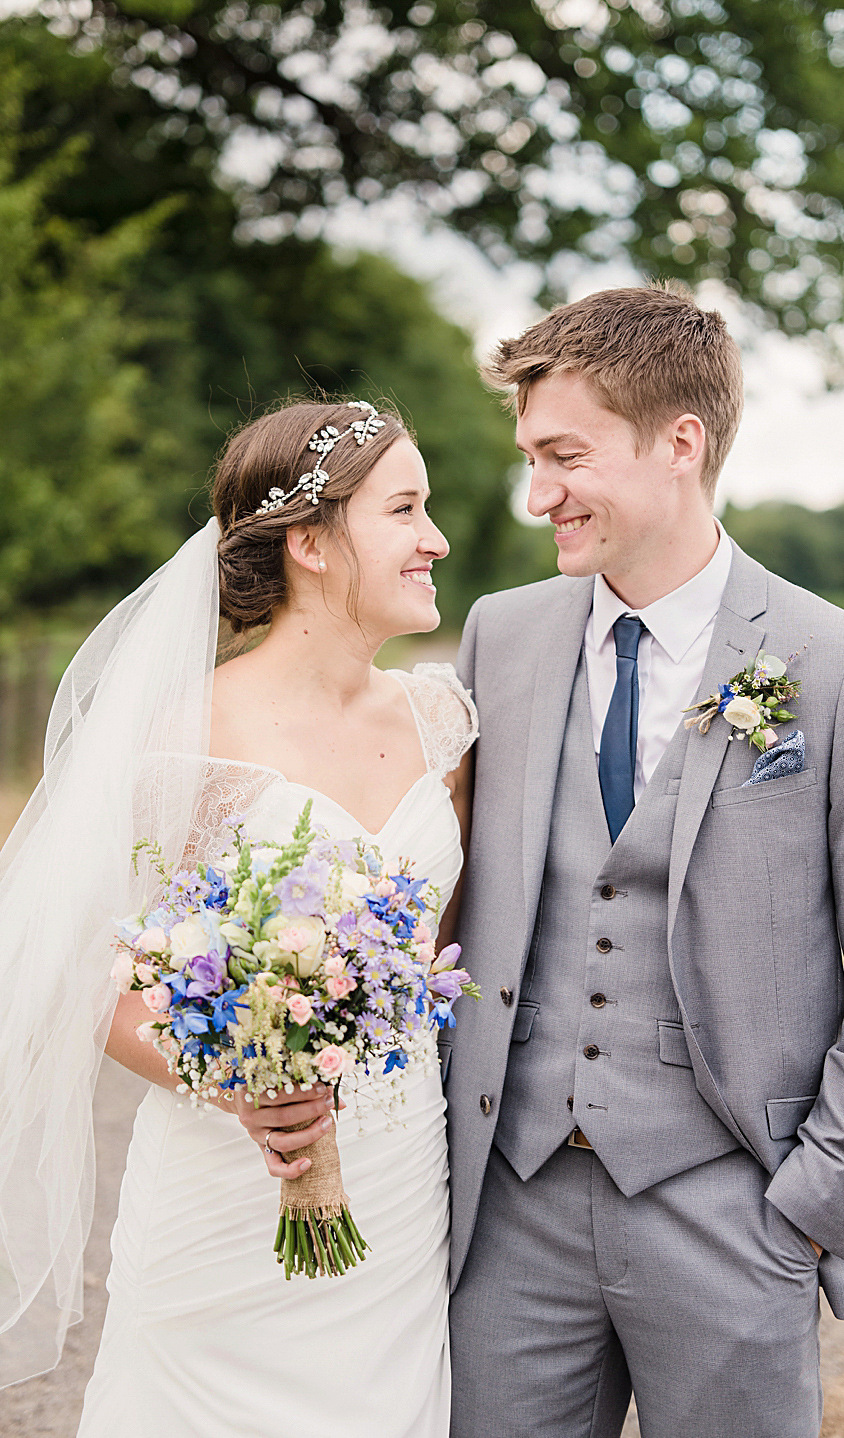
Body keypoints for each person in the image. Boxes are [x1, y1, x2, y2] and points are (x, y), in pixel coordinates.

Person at [445, 285, 844, 1438]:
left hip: (735, 1214)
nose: (539, 495)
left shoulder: (838, 665)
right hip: (509, 1210)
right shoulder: (503, 635)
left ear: (681, 443)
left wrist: (812, 1203)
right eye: (531, 458)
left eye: (565, 456)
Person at [0, 399, 476, 1437]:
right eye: (405, 509)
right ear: (310, 541)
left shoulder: (445, 722)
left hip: (401, 1193)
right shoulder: (182, 740)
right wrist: (239, 1087)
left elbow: (448, 949)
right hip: (228, 1197)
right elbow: (88, 977)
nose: (435, 538)